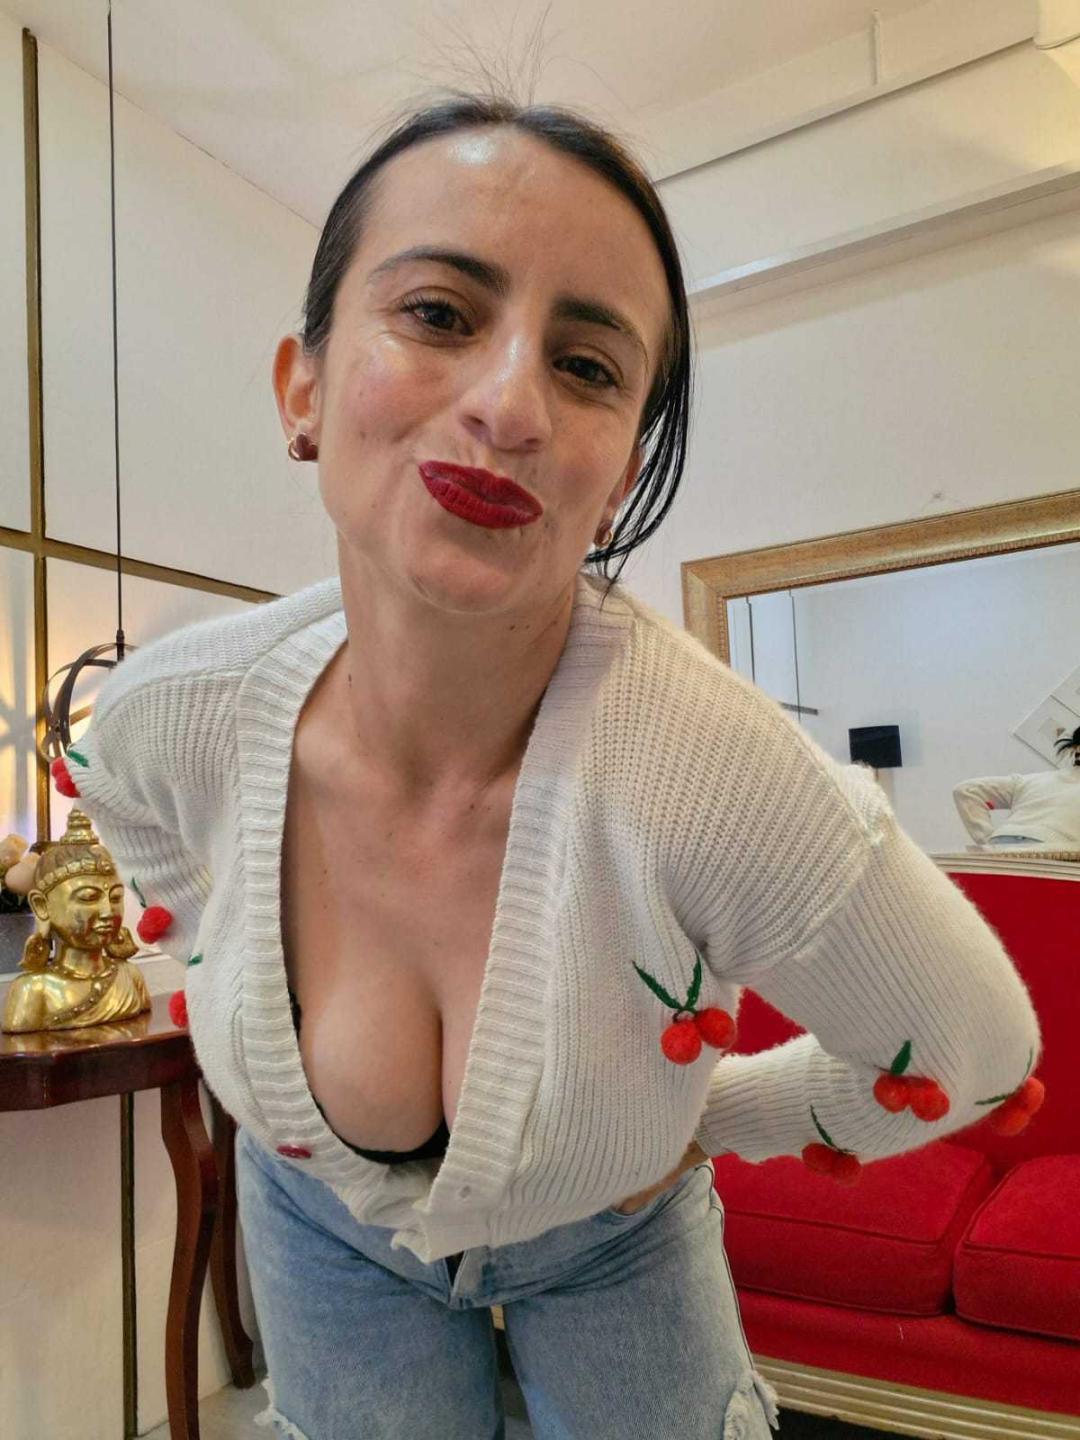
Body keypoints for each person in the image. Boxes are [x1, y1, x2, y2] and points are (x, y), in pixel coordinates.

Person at [68, 87, 1042, 1440]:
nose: (511, 403)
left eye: (587, 367)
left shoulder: (718, 776)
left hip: (620, 1243)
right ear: (302, 388)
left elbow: (974, 1053)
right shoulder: (168, 716)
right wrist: (218, 939)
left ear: (621, 466)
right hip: (318, 1219)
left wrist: (714, 1117)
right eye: (437, 313)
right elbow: (135, 819)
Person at [952, 725, 1080, 850]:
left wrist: (988, 842)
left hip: (1002, 841)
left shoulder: (1031, 780)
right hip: (1053, 849)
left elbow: (966, 790)